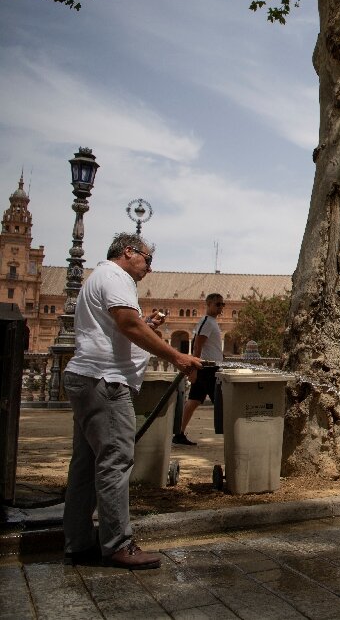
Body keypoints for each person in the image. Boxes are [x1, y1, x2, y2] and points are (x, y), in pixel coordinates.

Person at [63, 233, 203, 570]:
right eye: (147, 261)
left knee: (85, 465)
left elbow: (122, 325)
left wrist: (147, 324)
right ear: (129, 252)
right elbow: (127, 324)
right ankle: (118, 545)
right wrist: (177, 357)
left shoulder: (98, 277)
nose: (149, 269)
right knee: (115, 462)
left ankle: (79, 541)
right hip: (106, 382)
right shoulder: (116, 277)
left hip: (86, 378)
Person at [174, 293, 225, 445]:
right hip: (208, 369)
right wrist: (194, 368)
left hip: (209, 367)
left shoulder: (212, 322)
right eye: (217, 304)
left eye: (223, 304)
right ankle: (232, 435)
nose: (220, 307)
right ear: (208, 304)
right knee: (221, 401)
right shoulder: (207, 322)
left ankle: (179, 433)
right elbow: (197, 344)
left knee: (193, 401)